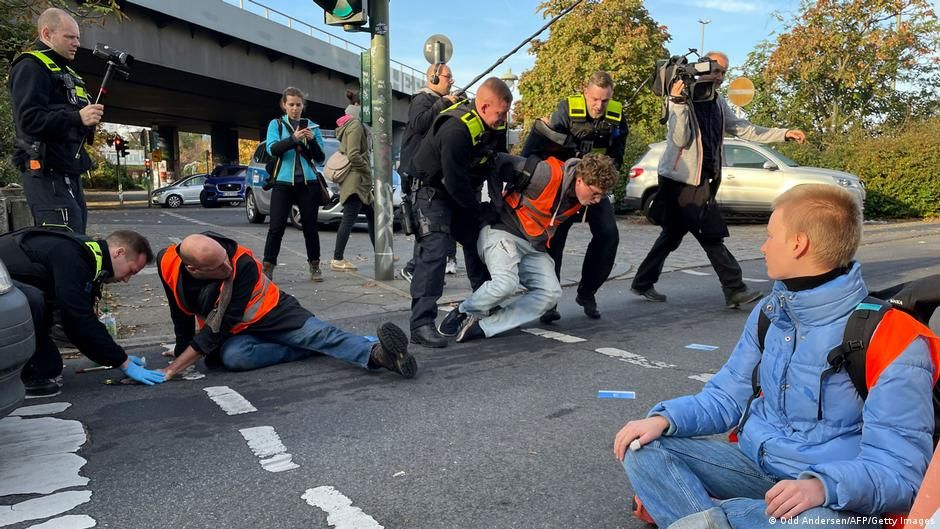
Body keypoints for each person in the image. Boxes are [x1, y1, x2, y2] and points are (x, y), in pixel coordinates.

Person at [614, 184, 938, 529]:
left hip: (831, 498)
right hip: (756, 468)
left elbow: (900, 473)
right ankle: (721, 517)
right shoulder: (771, 312)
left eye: (770, 236)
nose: (763, 246)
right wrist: (665, 419)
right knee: (642, 447)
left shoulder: (892, 336)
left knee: (820, 525)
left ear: (799, 244)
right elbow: (727, 396)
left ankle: (700, 514)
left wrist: (822, 486)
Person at [631, 51, 807, 308]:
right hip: (681, 181)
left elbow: (743, 128)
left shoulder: (716, 101)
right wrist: (678, 103)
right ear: (702, 67)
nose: (720, 77)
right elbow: (679, 140)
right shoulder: (682, 97)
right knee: (711, 233)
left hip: (703, 178)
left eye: (724, 72)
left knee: (672, 234)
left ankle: (642, 282)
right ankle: (734, 287)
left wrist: (783, 134)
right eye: (716, 70)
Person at [156, 232, 417, 379]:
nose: (227, 268)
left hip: (275, 314)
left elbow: (218, 326)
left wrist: (174, 368)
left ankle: (379, 355)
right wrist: (182, 350)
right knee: (235, 358)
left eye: (226, 259)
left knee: (321, 335)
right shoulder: (167, 262)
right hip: (236, 333)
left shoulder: (242, 263)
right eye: (218, 267)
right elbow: (179, 312)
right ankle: (311, 349)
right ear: (193, 268)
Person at [438, 153, 619, 343]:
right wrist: (495, 205)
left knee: (551, 293)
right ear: (580, 180)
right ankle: (463, 312)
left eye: (603, 195)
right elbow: (497, 161)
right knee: (506, 283)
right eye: (595, 193)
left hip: (532, 247)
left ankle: (483, 327)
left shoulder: (580, 196)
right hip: (502, 232)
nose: (598, 200)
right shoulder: (546, 175)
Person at [406, 77, 510, 348]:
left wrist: (494, 210)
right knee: (436, 250)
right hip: (431, 192)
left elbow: (495, 166)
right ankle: (421, 324)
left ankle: (484, 304)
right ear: (484, 106)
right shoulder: (455, 128)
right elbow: (454, 181)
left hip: (459, 192)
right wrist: (477, 210)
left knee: (481, 241)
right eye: (500, 114)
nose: (503, 119)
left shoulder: (493, 125)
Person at [0, 227, 164, 396]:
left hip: (9, 285)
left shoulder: (89, 259)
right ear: (119, 253)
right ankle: (24, 379)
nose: (126, 280)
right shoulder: (74, 257)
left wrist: (115, 358)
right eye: (131, 271)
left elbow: (77, 324)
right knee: (31, 300)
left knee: (50, 366)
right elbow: (79, 319)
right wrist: (123, 362)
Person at [523, 71, 628, 323]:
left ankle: (587, 293)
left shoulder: (616, 116)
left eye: (604, 100)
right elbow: (544, 147)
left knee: (608, 235)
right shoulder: (566, 110)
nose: (599, 106)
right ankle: (549, 301)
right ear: (585, 91)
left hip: (594, 186)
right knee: (554, 243)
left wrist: (599, 176)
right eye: (594, 99)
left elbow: (618, 157)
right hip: (565, 187)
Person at [9, 8, 105, 233]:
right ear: (46, 34)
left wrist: (87, 121)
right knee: (63, 239)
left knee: (77, 237)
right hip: (45, 170)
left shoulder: (68, 74)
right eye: (69, 37)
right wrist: (77, 117)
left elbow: (73, 123)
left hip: (68, 167)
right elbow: (29, 121)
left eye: (78, 38)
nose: (76, 43)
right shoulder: (31, 66)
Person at [398, 63, 460, 283]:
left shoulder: (436, 102)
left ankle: (424, 269)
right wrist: (443, 103)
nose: (451, 81)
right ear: (433, 78)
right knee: (426, 223)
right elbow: (419, 123)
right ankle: (415, 268)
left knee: (432, 223)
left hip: (427, 173)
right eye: (447, 77)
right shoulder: (422, 99)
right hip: (416, 173)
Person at [261, 87, 326, 282]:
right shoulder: (277, 125)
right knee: (276, 227)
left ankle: (315, 265)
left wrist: (312, 141)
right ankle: (268, 267)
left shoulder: (313, 127)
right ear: (284, 105)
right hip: (282, 183)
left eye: (298, 105)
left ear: (303, 106)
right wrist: (293, 139)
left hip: (309, 184)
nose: (295, 108)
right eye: (291, 104)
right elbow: (272, 149)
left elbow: (320, 158)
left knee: (310, 227)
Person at [331, 89, 375, 272]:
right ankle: (337, 259)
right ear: (358, 105)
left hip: (357, 180)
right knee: (349, 218)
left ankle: (381, 251)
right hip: (356, 181)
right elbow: (354, 154)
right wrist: (367, 171)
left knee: (373, 215)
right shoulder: (356, 125)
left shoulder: (350, 123)